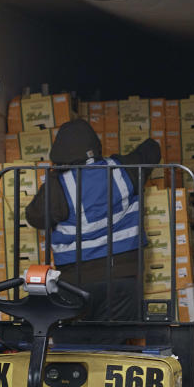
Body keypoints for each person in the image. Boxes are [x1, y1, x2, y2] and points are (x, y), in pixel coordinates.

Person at [25, 119, 161, 332]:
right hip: (123, 277)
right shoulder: (124, 169)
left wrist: (53, 176)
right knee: (115, 347)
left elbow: (34, 217)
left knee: (72, 348)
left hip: (75, 281)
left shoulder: (59, 184)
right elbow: (152, 149)